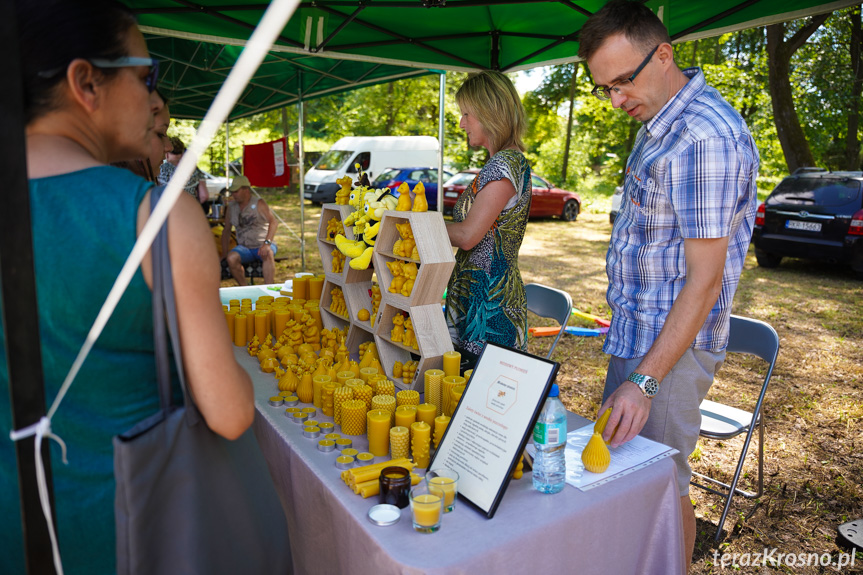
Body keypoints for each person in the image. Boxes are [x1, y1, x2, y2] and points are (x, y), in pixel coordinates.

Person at [2, 1, 254, 573]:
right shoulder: (155, 215)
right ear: (86, 82)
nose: (155, 101)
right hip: (127, 532)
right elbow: (230, 413)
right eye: (147, 77)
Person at [577, 0, 759, 567]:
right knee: (630, 475)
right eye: (604, 88)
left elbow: (704, 284)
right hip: (638, 336)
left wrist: (645, 383)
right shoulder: (659, 122)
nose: (616, 100)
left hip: (670, 351)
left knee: (661, 481)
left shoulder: (704, 137)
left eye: (622, 82)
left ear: (664, 54)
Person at [444, 71, 532, 357]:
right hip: (481, 293)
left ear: (489, 112)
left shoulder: (504, 164)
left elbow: (468, 236)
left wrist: (415, 224)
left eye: (466, 114)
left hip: (490, 301)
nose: (461, 123)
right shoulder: (505, 162)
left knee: (476, 390)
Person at [221, 175, 279, 285]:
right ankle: (245, 288)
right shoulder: (231, 207)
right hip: (244, 247)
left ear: (246, 190)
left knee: (267, 253)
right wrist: (224, 252)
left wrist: (267, 244)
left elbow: (274, 222)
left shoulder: (259, 203)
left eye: (236, 191)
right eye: (232, 191)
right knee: (231, 258)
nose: (233, 194)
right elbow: (226, 230)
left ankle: (269, 287)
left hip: (262, 243)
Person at [159, 135, 209, 205]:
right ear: (182, 154)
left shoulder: (159, 169)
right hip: (189, 209)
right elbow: (204, 196)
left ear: (166, 154)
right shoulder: (195, 171)